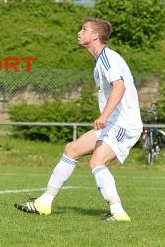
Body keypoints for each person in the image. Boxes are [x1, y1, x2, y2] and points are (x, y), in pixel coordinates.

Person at [14, 17, 143, 222]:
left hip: (123, 124)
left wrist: (103, 116)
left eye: (84, 29)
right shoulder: (99, 60)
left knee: (97, 162)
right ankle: (44, 203)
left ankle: (118, 212)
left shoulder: (108, 58)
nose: (79, 32)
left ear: (95, 36)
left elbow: (120, 87)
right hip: (113, 122)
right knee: (72, 149)